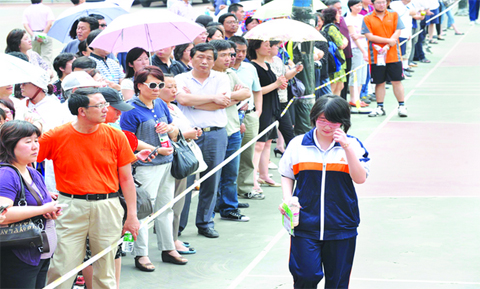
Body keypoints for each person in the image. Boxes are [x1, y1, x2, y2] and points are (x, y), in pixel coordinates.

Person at [39, 88, 140, 289]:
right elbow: (27, 162)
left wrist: (132, 216)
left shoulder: (115, 135)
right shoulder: (56, 135)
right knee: (61, 267)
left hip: (108, 205)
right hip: (69, 206)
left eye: (105, 104)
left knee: (106, 269)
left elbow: (126, 179)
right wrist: (42, 194)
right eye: (99, 105)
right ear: (81, 111)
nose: (106, 109)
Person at [278, 95, 370, 289]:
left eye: (333, 121)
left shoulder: (353, 145)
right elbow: (286, 174)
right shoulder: (298, 144)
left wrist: (346, 148)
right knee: (305, 275)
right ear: (314, 118)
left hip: (342, 225)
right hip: (304, 224)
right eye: (322, 120)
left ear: (343, 122)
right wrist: (288, 200)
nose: (327, 126)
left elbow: (360, 178)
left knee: (337, 282)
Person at [120, 66, 185, 270]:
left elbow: (174, 130)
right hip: (145, 166)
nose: (158, 89)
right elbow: (128, 141)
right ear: (139, 86)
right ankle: (141, 254)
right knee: (144, 210)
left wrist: (170, 129)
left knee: (166, 207)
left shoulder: (160, 104)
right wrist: (155, 149)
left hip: (166, 163)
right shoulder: (130, 109)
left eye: (160, 84)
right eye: (153, 84)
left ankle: (167, 247)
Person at [175, 43, 231, 238]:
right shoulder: (180, 78)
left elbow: (221, 104)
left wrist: (196, 101)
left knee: (212, 179)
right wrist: (212, 99)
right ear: (191, 59)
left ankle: (205, 222)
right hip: (188, 135)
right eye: (200, 57)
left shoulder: (222, 78)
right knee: (185, 181)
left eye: (208, 57)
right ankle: (178, 226)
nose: (204, 61)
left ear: (214, 60)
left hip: (215, 133)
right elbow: (183, 100)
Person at [0, 120, 61, 289]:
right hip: (17, 254)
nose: (35, 146)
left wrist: (50, 211)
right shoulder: (6, 174)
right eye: (28, 142)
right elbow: (2, 215)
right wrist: (42, 209)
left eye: (36, 140)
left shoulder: (32, 172)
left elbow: (41, 206)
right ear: (9, 144)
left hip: (39, 253)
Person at [157, 74, 202, 254]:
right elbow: (172, 134)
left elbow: (183, 129)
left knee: (178, 202)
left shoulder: (174, 107)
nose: (174, 90)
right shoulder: (159, 110)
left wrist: (192, 132)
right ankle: (170, 242)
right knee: (171, 203)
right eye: (169, 87)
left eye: (175, 86)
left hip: (181, 158)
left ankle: (173, 238)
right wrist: (187, 133)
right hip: (170, 159)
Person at [209, 40, 251, 221]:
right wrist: (228, 98)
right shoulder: (207, 76)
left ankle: (229, 207)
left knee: (230, 174)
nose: (229, 58)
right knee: (212, 175)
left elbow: (246, 93)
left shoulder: (230, 73)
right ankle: (210, 211)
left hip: (233, 129)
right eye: (224, 54)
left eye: (230, 54)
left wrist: (224, 98)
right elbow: (207, 102)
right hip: (214, 131)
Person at [229, 36, 264, 200]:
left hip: (250, 115)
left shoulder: (250, 68)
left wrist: (258, 111)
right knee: (230, 154)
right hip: (230, 116)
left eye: (244, 51)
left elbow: (257, 90)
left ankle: (245, 187)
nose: (240, 54)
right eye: (237, 51)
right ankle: (228, 192)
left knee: (248, 153)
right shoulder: (223, 70)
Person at [248, 40, 286, 191]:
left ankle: (264, 175)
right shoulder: (252, 67)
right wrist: (276, 84)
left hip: (272, 106)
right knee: (259, 144)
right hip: (262, 107)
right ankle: (253, 179)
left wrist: (279, 85)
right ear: (256, 48)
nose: (269, 47)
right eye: (266, 45)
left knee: (268, 142)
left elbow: (271, 87)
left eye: (270, 45)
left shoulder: (267, 65)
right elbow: (257, 91)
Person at [362, 0, 409, 117]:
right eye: (378, 2)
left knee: (396, 81)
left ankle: (402, 106)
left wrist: (388, 46)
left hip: (394, 55)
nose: (381, 5)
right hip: (376, 56)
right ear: (373, 4)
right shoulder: (367, 18)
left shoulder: (394, 14)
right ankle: (380, 107)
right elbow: (369, 36)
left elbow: (397, 32)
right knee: (379, 82)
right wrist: (388, 41)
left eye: (383, 2)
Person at [266, 41, 303, 154]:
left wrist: (295, 71)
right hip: (270, 102)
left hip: (283, 101)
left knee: (289, 133)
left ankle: (293, 162)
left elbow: (285, 76)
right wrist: (277, 84)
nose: (278, 49)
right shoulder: (262, 63)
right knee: (266, 139)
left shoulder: (278, 60)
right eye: (276, 46)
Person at [345, 0, 370, 107]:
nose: (359, 7)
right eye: (357, 5)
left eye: (360, 5)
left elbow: (368, 33)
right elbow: (353, 37)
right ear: (351, 7)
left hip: (364, 46)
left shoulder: (362, 18)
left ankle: (357, 98)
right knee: (356, 73)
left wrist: (361, 35)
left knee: (362, 75)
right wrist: (363, 50)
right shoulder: (348, 19)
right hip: (355, 48)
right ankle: (353, 99)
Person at [322, 8, 348, 96]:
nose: (339, 15)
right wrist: (345, 40)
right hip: (336, 60)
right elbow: (341, 44)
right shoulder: (332, 28)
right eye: (337, 14)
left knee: (340, 85)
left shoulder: (327, 27)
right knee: (334, 86)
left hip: (336, 59)